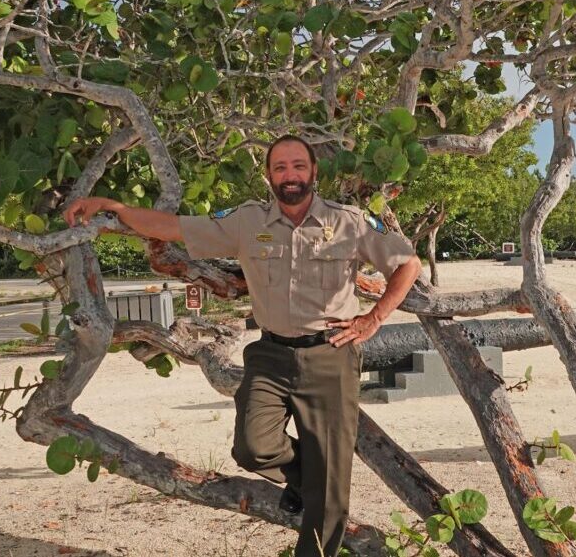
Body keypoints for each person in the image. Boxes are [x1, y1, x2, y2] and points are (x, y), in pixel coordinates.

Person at [63, 135, 421, 557]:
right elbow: (175, 227)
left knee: (329, 503)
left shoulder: (349, 221)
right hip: (271, 354)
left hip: (331, 354)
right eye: (281, 168)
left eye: (298, 166)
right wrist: (116, 208)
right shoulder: (247, 221)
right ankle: (309, 479)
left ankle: (317, 511)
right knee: (253, 448)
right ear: (269, 175)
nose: (290, 175)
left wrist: (373, 319)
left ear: (314, 172)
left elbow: (407, 263)